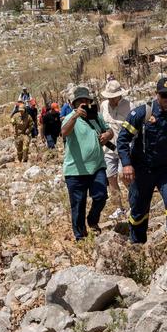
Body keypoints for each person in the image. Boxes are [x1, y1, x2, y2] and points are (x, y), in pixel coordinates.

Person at [117, 76, 167, 255]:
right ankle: (137, 243)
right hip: (142, 169)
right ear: (157, 94)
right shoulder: (142, 113)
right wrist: (127, 165)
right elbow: (122, 139)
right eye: (164, 95)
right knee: (138, 208)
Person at [61, 86, 112, 240]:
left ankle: (93, 220)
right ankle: (80, 236)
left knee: (101, 195)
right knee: (78, 204)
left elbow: (109, 130)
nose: (84, 103)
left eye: (86, 101)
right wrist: (75, 116)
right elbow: (64, 132)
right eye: (80, 102)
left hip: (97, 167)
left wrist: (107, 135)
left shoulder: (96, 116)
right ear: (74, 104)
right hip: (75, 171)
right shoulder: (70, 117)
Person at [99, 79, 132, 219]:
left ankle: (134, 202)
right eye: (109, 97)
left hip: (125, 146)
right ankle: (119, 208)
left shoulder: (129, 106)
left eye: (114, 97)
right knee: (111, 178)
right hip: (108, 148)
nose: (111, 100)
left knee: (124, 176)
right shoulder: (103, 106)